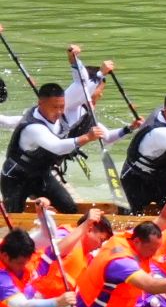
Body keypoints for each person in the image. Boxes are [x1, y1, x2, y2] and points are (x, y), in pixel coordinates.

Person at [3, 76, 110, 214]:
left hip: (41, 174)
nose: (59, 112)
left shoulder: (61, 114)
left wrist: (99, 75)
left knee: (70, 210)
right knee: (13, 217)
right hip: (16, 177)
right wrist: (87, 137)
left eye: (62, 107)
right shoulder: (34, 127)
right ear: (40, 103)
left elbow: (79, 89)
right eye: (54, 107)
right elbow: (57, 147)